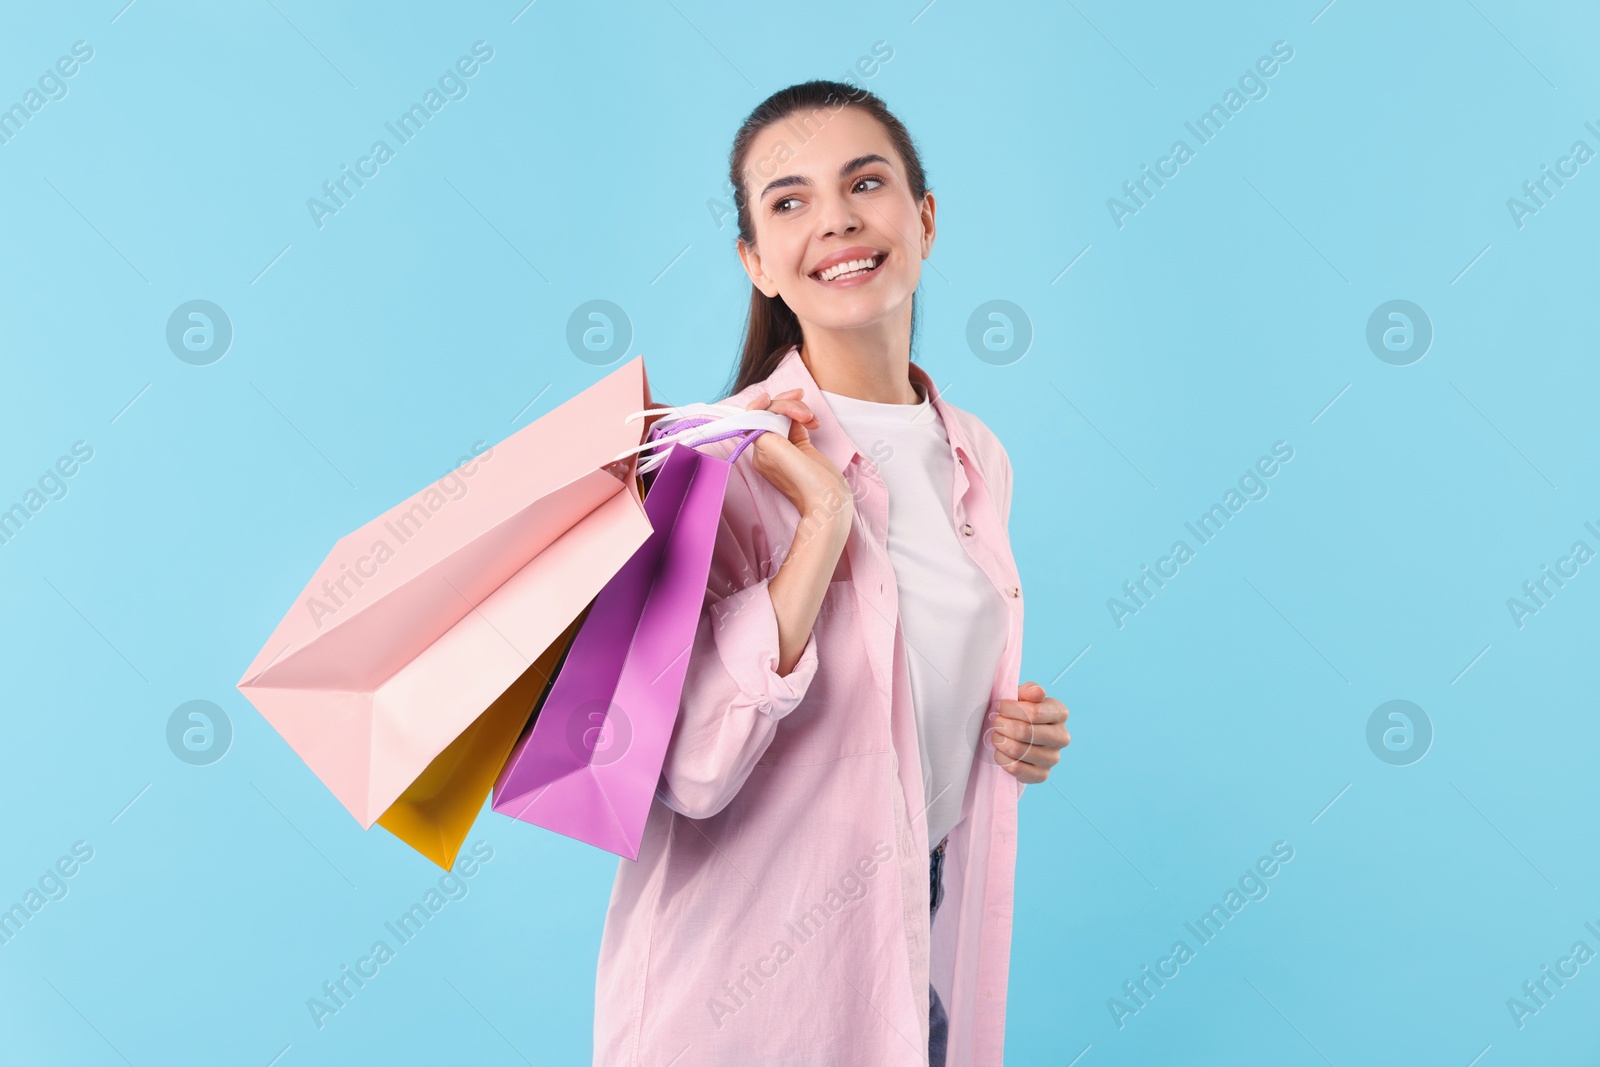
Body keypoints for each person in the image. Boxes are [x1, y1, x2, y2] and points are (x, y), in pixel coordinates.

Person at [593, 79, 1069, 1066]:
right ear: (755, 262)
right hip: (743, 998)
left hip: (908, 959)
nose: (837, 219)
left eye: (865, 181)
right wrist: (822, 520)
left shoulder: (976, 450)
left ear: (923, 218)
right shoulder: (710, 462)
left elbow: (902, 688)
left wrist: (1002, 732)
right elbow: (687, 769)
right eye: (789, 200)